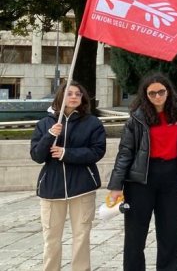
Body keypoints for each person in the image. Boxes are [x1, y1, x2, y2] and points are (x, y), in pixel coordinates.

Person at [107, 73, 177, 271]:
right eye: (152, 93)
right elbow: (125, 152)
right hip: (141, 178)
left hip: (170, 175)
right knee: (136, 233)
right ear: (146, 95)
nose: (157, 97)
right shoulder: (137, 119)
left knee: (170, 230)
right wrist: (115, 185)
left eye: (161, 92)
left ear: (168, 91)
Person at [29, 81, 107, 271]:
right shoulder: (45, 123)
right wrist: (49, 135)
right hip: (51, 189)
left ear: (82, 98)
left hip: (82, 189)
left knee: (81, 236)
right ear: (60, 97)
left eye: (78, 94)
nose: (73, 97)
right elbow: (37, 156)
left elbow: (97, 152)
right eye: (69, 93)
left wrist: (67, 153)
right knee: (51, 239)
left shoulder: (92, 123)